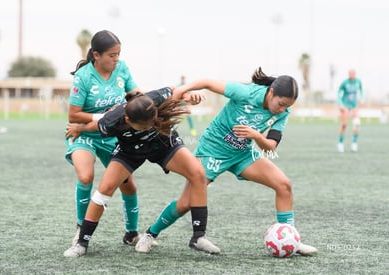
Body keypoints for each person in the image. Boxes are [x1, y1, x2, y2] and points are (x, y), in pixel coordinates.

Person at [135, 67, 318, 256]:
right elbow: (207, 82)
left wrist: (256, 136)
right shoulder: (246, 92)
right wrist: (184, 89)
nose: (282, 109)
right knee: (185, 203)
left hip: (242, 154)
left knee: (284, 185)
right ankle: (150, 234)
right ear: (271, 92)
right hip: (212, 150)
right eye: (280, 103)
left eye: (286, 106)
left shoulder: (282, 113)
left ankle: (291, 239)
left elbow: (270, 146)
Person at [63, 87, 220, 257]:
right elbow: (97, 125)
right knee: (104, 190)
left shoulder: (155, 99)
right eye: (142, 127)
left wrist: (189, 96)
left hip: (164, 145)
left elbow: (177, 90)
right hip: (129, 152)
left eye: (150, 124)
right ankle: (81, 244)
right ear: (128, 119)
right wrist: (80, 129)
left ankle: (198, 237)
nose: (147, 129)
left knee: (198, 174)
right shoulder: (112, 120)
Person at [65, 30, 141, 246]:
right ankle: (81, 228)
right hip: (84, 134)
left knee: (129, 186)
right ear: (96, 55)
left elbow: (136, 96)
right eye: (111, 55)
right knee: (86, 177)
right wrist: (108, 116)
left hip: (113, 137)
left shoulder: (122, 68)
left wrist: (146, 105)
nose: (116, 59)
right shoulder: (83, 77)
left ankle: (131, 233)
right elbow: (74, 115)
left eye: (118, 54)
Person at [336, 69, 365, 153]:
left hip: (354, 105)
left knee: (357, 123)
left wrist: (362, 98)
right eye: (350, 73)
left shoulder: (358, 82)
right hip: (345, 105)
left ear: (355, 74)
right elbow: (338, 92)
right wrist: (340, 104)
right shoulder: (345, 82)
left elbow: (361, 91)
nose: (352, 74)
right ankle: (340, 143)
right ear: (349, 74)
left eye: (353, 73)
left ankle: (354, 143)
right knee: (344, 124)